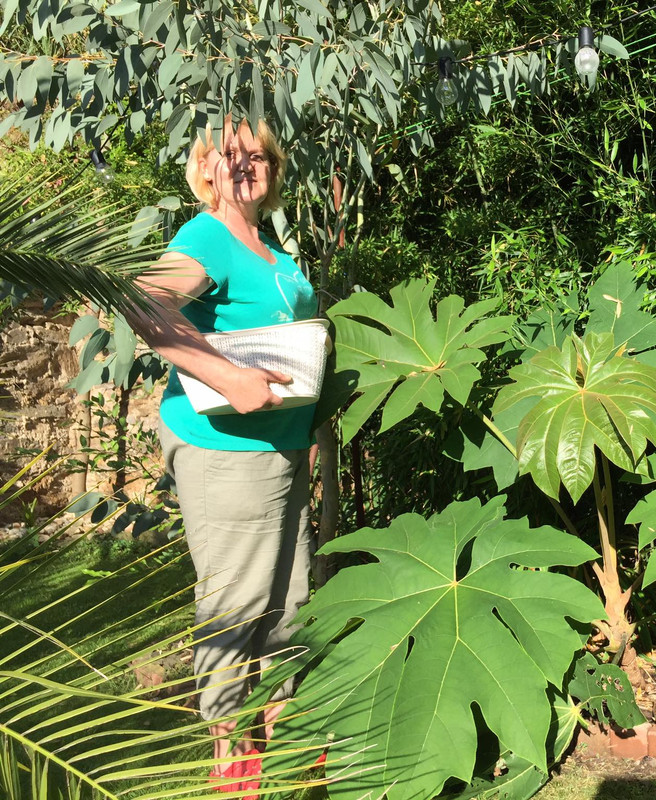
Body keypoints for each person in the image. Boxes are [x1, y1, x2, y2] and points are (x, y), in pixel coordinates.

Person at [130, 116, 316, 793]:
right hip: (225, 449)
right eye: (228, 155)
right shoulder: (205, 234)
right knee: (238, 602)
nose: (245, 164)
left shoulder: (265, 244)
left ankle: (285, 737)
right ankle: (232, 754)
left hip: (281, 446)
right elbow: (143, 303)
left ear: (272, 168)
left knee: (289, 600)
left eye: (257, 154)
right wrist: (228, 377)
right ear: (204, 169)